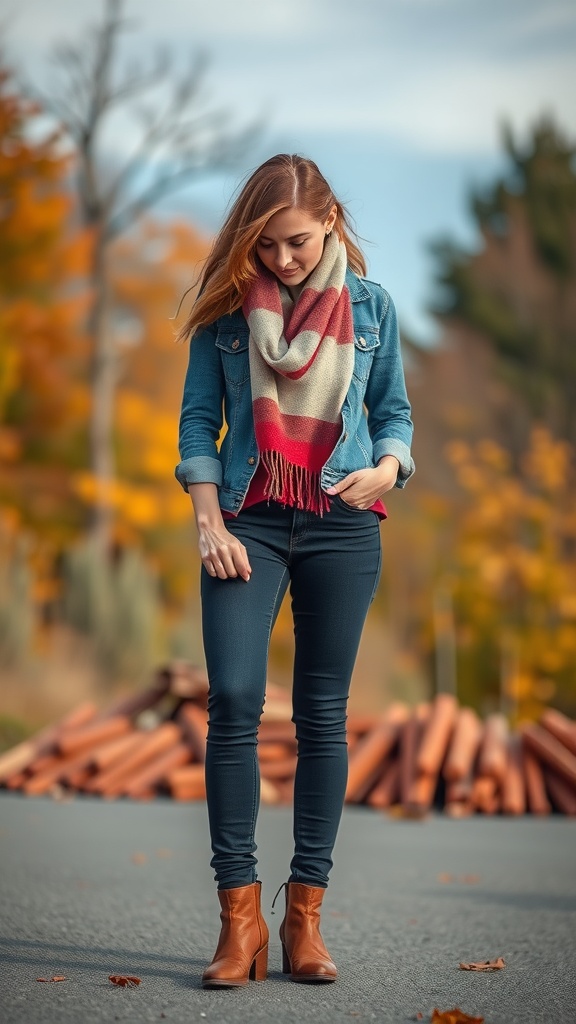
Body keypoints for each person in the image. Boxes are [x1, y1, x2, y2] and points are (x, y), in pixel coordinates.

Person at [175, 153, 414, 988]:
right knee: (235, 697)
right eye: (268, 246)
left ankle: (304, 917)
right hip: (247, 519)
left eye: (300, 244)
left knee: (322, 713)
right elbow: (197, 427)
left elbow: (394, 414)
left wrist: (391, 467)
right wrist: (208, 521)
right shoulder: (227, 322)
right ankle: (238, 920)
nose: (283, 261)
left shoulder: (375, 308)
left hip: (343, 523)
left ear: (332, 224)